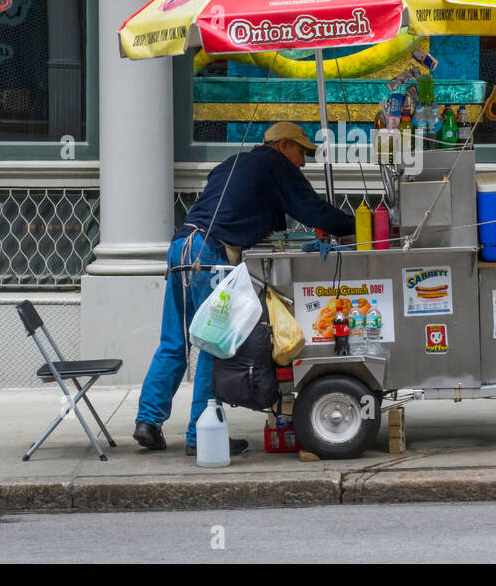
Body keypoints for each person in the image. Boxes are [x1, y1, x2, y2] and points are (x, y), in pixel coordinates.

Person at [133, 121, 356, 456]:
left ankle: (148, 422)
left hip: (181, 247)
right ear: (282, 145)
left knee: (174, 340)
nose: (304, 162)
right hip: (211, 255)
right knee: (214, 341)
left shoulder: (231, 164)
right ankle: (200, 435)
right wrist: (356, 227)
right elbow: (312, 210)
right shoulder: (276, 164)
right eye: (301, 151)